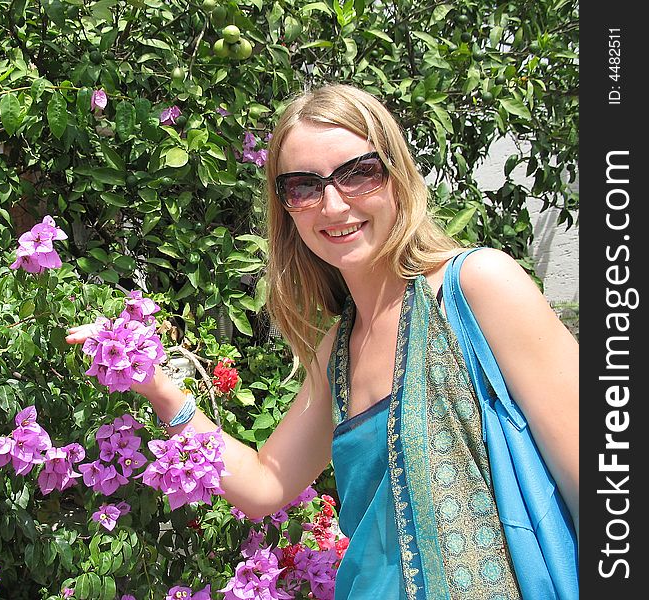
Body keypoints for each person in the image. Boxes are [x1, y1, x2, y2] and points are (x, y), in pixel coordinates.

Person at [66, 84, 579, 599]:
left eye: (358, 172)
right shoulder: (339, 348)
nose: (333, 205)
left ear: (397, 175)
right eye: (304, 186)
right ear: (286, 207)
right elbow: (265, 484)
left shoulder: (475, 287)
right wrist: (158, 386)